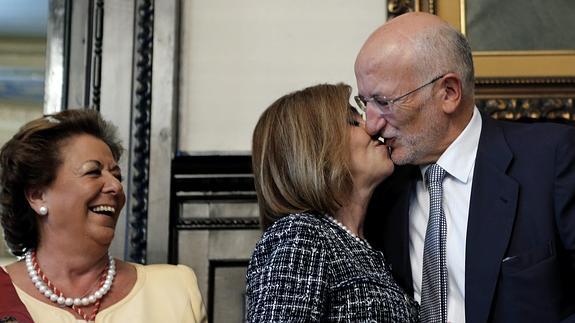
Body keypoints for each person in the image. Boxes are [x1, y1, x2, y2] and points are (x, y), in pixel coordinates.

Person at [355, 12, 575, 323]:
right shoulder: (381, 188)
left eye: (384, 102)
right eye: (365, 102)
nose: (371, 123)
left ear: (448, 93)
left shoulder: (551, 160)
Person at [0, 110, 207, 323]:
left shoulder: (175, 290)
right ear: (37, 196)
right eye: (93, 172)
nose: (116, 186)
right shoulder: (2, 295)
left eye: (116, 175)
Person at [246, 83, 419, 322]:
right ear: (315, 148)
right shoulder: (300, 236)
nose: (371, 126)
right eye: (352, 121)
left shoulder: (368, 241)